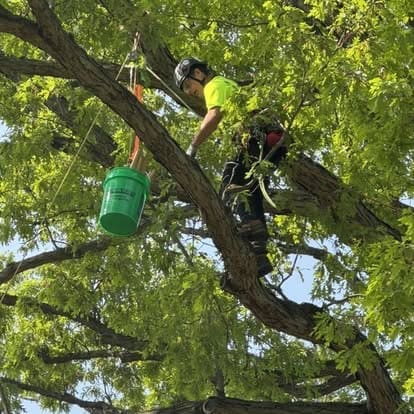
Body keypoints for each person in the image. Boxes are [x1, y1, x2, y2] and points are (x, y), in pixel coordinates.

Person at [174, 58, 286, 277]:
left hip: (252, 138)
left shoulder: (214, 85)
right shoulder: (229, 86)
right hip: (271, 140)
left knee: (230, 189)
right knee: (250, 192)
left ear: (198, 73)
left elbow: (214, 115)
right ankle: (259, 254)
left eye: (188, 85)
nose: (188, 92)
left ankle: (247, 235)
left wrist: (193, 146)